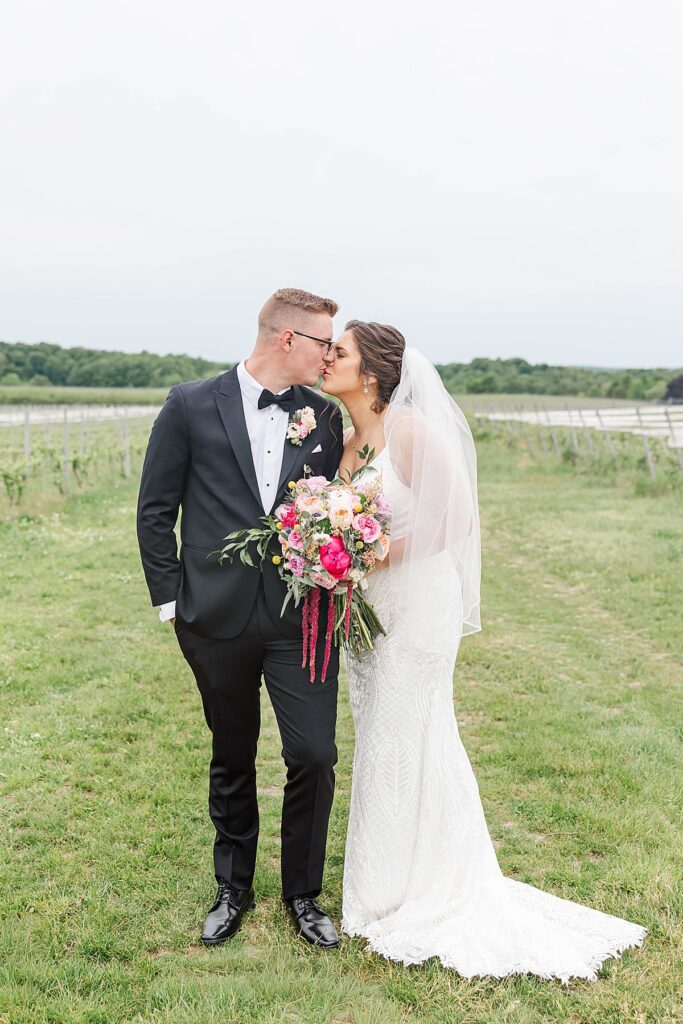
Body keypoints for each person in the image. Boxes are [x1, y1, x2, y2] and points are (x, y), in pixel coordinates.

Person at [320, 321, 646, 982]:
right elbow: (340, 520)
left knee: (408, 732)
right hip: (372, 608)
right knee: (381, 733)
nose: (327, 358)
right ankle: (386, 881)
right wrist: (337, 559)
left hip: (415, 604)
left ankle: (420, 888)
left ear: (374, 372)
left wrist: (371, 553)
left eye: (339, 352)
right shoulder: (351, 441)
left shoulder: (409, 431)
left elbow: (455, 518)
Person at [137, 288, 344, 948]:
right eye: (323, 343)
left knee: (313, 754)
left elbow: (337, 506)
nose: (330, 354)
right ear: (287, 339)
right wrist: (172, 600)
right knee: (231, 753)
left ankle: (303, 895)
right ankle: (233, 886)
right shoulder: (190, 404)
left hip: (299, 615)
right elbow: (154, 507)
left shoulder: (322, 416)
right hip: (213, 617)